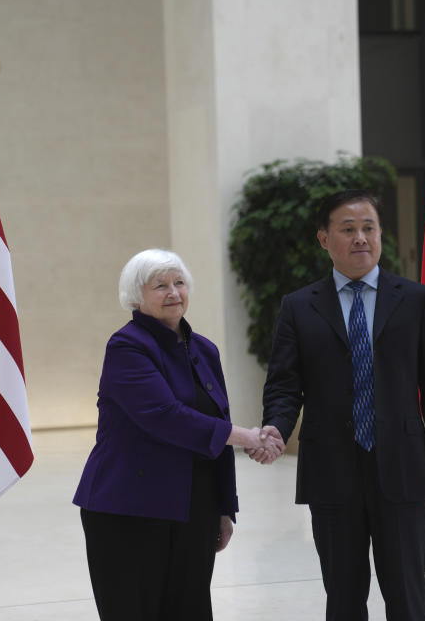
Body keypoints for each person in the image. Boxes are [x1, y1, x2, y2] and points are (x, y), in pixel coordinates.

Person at [250, 191, 425, 621]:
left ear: (381, 235)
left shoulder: (416, 300)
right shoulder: (299, 306)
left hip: (401, 468)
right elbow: (285, 386)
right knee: (343, 596)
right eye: (348, 229)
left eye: (369, 228)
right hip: (331, 471)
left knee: (408, 594)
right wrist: (274, 431)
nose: (360, 238)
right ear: (324, 239)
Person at [74, 248, 284, 621]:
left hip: (194, 508)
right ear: (136, 297)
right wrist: (250, 438)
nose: (173, 292)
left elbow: (216, 421)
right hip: (128, 508)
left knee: (191, 610)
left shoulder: (204, 349)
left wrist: (222, 509)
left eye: (179, 282)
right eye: (160, 286)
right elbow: (166, 417)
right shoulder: (127, 346)